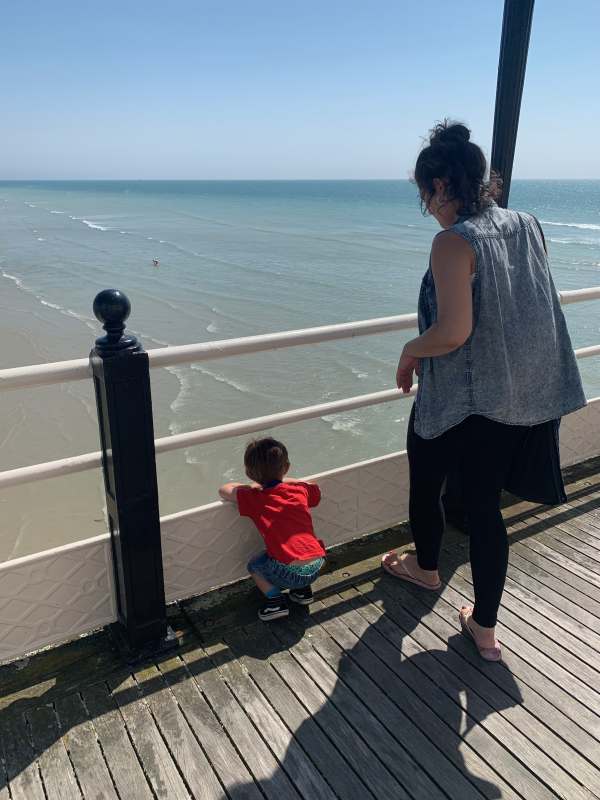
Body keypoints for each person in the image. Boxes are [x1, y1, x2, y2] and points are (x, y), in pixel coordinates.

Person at [382, 120, 586, 661]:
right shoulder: (525, 222)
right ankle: (486, 631)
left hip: (457, 399)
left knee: (426, 481)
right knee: (486, 510)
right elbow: (527, 305)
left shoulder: (452, 242)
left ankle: (426, 570)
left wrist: (409, 349)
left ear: (442, 186)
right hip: (514, 396)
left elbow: (452, 332)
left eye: (424, 192)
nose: (425, 203)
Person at [219, 437, 326, 621]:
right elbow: (314, 490)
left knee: (255, 565)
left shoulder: (254, 497)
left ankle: (275, 602)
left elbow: (224, 489)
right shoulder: (299, 491)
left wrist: (250, 487)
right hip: (317, 564)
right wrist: (287, 480)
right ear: (286, 467)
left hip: (289, 573)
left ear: (249, 472)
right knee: (296, 552)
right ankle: (303, 592)